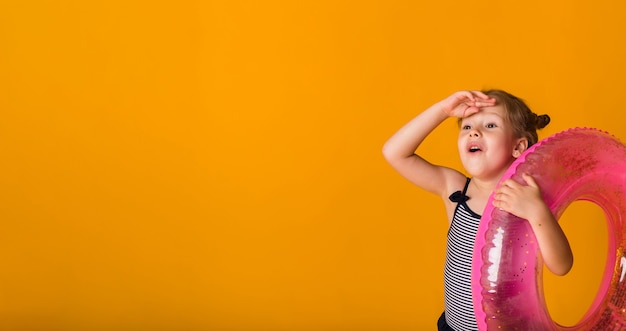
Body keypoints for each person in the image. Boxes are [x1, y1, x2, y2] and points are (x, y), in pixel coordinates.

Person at [382, 90, 573, 331]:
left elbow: (562, 265)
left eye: (490, 125)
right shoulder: (454, 189)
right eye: (467, 126)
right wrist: (443, 111)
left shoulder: (526, 202)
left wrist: (537, 212)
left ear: (518, 146)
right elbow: (394, 152)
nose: (474, 132)